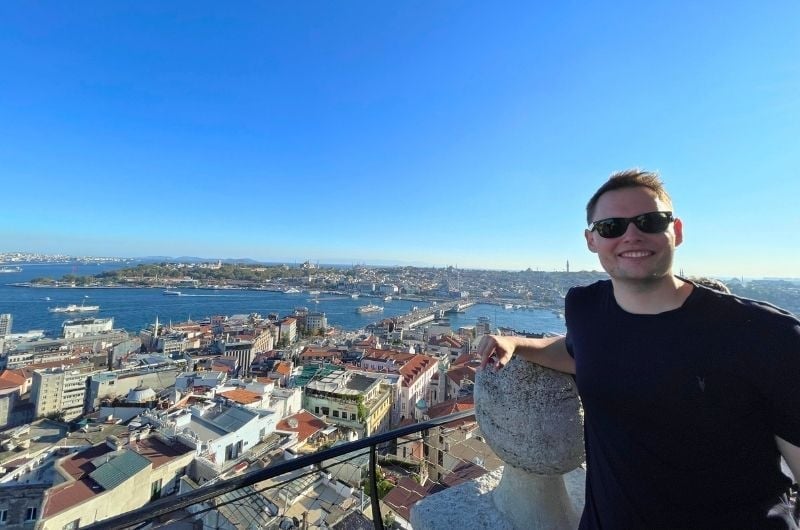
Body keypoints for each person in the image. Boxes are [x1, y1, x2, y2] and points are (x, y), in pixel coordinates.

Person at [478, 169, 800, 529]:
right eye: (612, 226)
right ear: (591, 240)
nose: (631, 234)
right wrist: (517, 343)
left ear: (676, 230)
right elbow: (578, 352)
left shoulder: (768, 334)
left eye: (649, 221)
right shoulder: (585, 307)